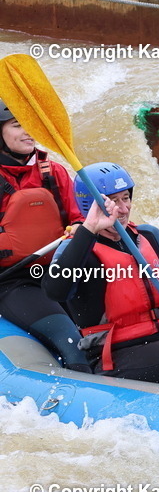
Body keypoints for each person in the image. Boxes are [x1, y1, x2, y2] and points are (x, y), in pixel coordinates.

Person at [43, 162, 159, 392]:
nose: (124, 209)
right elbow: (55, 291)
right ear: (93, 205)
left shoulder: (150, 236)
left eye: (126, 198)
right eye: (114, 201)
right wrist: (89, 229)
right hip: (119, 358)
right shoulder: (77, 250)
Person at [0, 100, 89, 371]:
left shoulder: (54, 172)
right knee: (72, 342)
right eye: (18, 125)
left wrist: (79, 227)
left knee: (100, 335)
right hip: (13, 282)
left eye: (31, 124)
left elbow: (79, 218)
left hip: (60, 274)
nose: (28, 132)